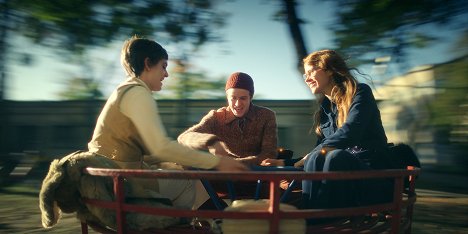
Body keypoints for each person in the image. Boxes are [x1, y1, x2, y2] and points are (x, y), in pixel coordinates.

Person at [87, 35, 247, 211]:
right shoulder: (138, 94)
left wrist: (178, 161)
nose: (166, 74)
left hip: (110, 179)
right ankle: (215, 223)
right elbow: (160, 147)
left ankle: (215, 223)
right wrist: (217, 163)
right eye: (163, 66)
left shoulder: (126, 91)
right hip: (120, 183)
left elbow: (144, 150)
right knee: (189, 182)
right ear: (148, 64)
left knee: (182, 173)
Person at [262, 49, 396, 211]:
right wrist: (282, 163)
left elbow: (349, 133)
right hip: (341, 184)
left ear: (330, 70)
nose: (307, 79)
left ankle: (314, 219)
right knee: (322, 156)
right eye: (305, 75)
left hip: (372, 180)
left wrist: (313, 156)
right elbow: (317, 151)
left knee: (332, 156)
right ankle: (312, 216)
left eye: (311, 72)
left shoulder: (360, 93)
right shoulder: (325, 110)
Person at [177, 72, 278, 201]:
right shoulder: (216, 117)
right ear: (227, 97)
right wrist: (211, 141)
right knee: (189, 171)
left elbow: (269, 154)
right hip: (223, 181)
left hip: (256, 180)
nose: (237, 104)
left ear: (250, 97)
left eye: (243, 98)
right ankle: (211, 219)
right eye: (233, 98)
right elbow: (184, 138)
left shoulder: (266, 116)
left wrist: (232, 164)